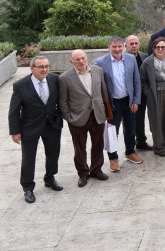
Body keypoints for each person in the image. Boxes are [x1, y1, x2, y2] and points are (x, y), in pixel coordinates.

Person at [9, 56, 63, 203]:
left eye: (46, 66)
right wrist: (15, 131)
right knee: (29, 158)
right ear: (32, 68)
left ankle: (50, 178)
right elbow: (14, 111)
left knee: (53, 153)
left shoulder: (54, 80)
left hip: (51, 124)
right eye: (40, 67)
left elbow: (60, 100)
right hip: (29, 126)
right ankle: (27, 188)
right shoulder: (20, 85)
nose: (44, 69)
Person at [58, 50, 110, 187]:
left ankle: (96, 170)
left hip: (97, 115)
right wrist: (69, 117)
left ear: (87, 58)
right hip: (78, 118)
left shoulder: (98, 71)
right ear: (71, 62)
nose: (81, 61)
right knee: (79, 148)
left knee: (98, 144)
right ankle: (83, 173)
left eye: (83, 58)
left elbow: (104, 91)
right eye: (77, 59)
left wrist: (105, 111)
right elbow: (63, 101)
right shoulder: (64, 78)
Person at [95, 36, 143, 172]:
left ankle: (130, 152)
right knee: (112, 132)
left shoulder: (130, 59)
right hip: (112, 103)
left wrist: (135, 100)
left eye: (119, 46)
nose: (117, 49)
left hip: (128, 100)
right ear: (108, 47)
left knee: (131, 128)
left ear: (123, 47)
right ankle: (113, 158)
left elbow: (136, 81)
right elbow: (97, 85)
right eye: (114, 47)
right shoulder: (100, 62)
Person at [125, 35, 151, 151]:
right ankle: (129, 148)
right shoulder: (123, 59)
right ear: (126, 46)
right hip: (128, 96)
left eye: (136, 43)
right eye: (131, 44)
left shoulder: (144, 57)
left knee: (140, 119)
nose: (134, 46)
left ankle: (141, 141)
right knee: (129, 122)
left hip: (142, 95)